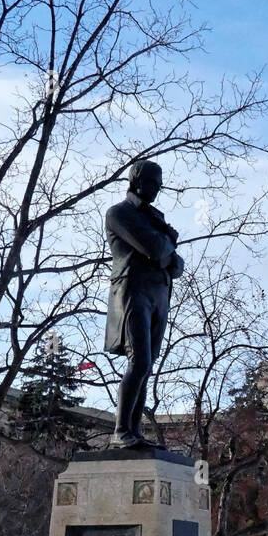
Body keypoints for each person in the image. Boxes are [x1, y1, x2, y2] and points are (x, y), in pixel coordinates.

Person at [104, 159, 184, 447]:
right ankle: (121, 432)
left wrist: (165, 249)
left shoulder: (154, 218)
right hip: (133, 292)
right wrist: (166, 244)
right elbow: (156, 248)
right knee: (139, 362)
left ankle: (134, 432)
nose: (158, 189)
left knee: (146, 366)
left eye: (160, 184)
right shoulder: (119, 213)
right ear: (137, 180)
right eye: (154, 183)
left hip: (158, 297)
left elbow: (176, 266)